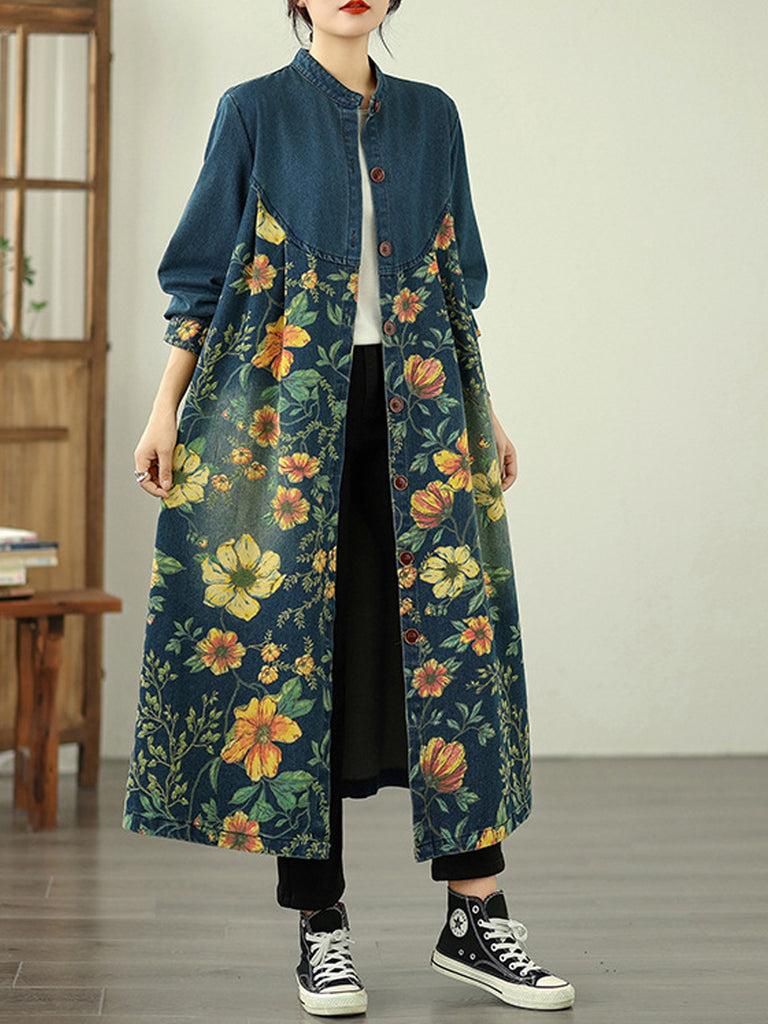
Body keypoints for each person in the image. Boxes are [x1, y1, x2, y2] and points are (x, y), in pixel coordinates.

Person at [126, 0, 575, 1015]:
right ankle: (320, 929)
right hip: (285, 416)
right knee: (299, 659)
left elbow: (456, 281)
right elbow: (199, 273)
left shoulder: (432, 116)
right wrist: (165, 409)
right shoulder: (252, 111)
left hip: (424, 405)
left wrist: (486, 410)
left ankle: (476, 915)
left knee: (453, 648)